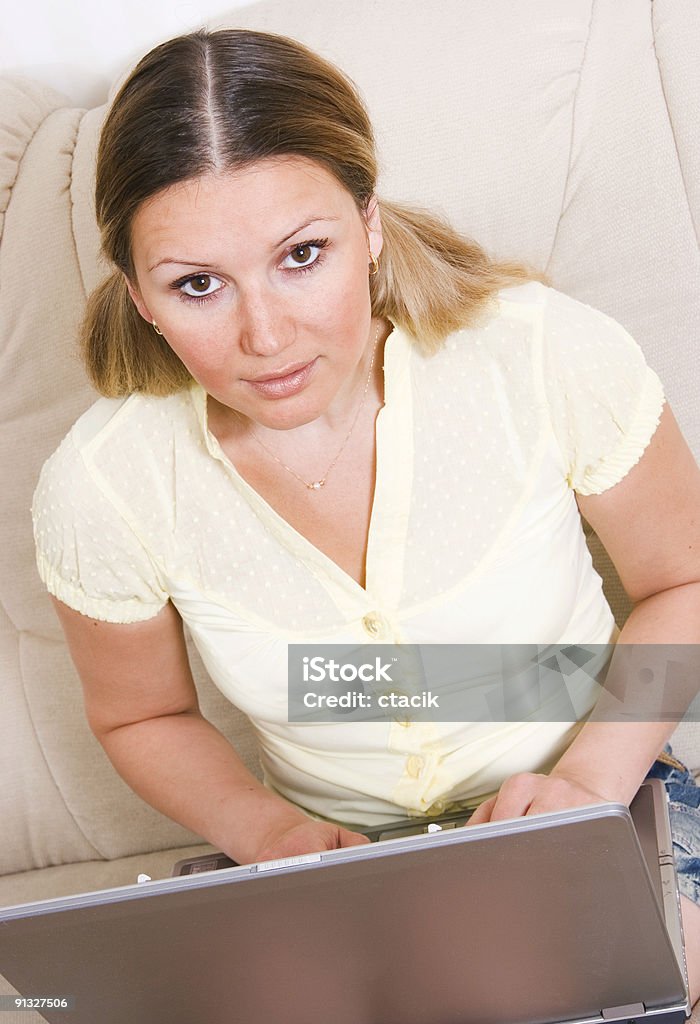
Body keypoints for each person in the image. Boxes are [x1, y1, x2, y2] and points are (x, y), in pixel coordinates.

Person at [32, 27, 700, 998]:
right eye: (198, 285)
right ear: (138, 295)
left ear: (369, 224)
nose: (265, 335)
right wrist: (269, 833)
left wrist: (588, 782)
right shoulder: (105, 486)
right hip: (343, 874)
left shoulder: (541, 354)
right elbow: (143, 713)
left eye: (302, 254)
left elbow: (684, 580)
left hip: (610, 794)